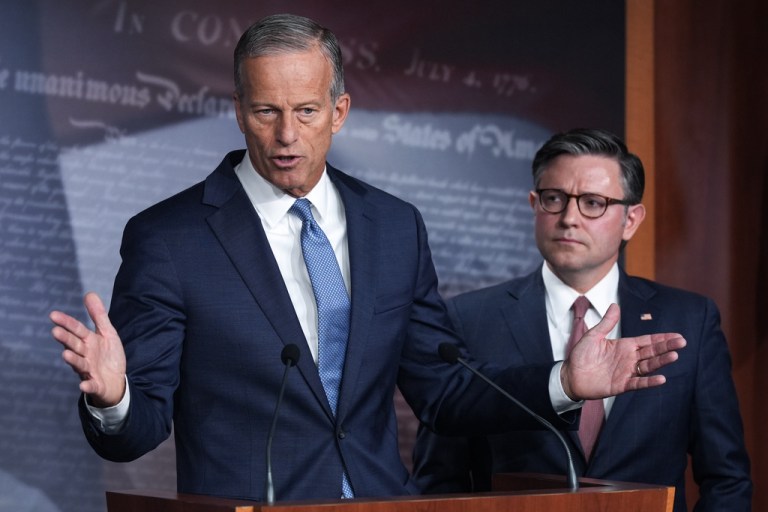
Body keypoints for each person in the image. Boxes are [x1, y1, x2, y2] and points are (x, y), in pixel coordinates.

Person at [49, 16, 685, 503]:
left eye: (306, 111)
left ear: (339, 112)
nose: (287, 135)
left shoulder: (393, 226)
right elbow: (137, 430)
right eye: (267, 111)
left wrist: (565, 382)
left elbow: (444, 393)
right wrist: (115, 397)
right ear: (239, 111)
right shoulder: (170, 238)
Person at [412, 128, 752, 511]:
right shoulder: (470, 318)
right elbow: (438, 481)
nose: (569, 218)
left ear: (631, 219)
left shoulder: (690, 320)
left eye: (593, 203)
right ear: (534, 205)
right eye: (554, 199)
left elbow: (726, 478)